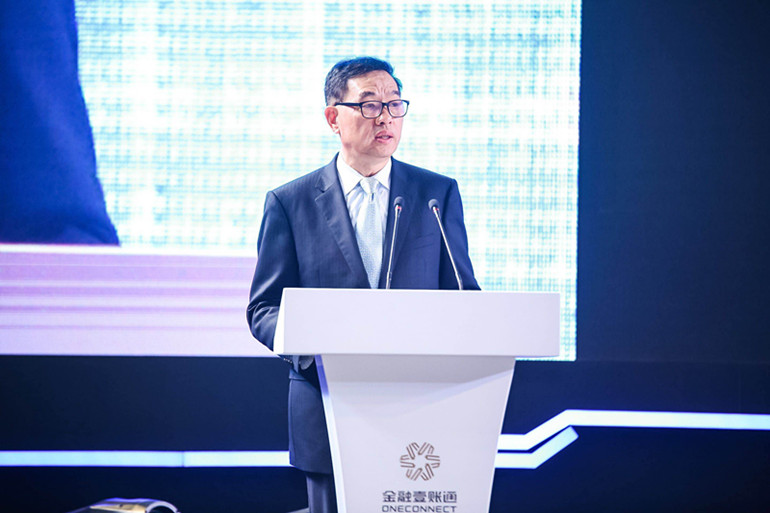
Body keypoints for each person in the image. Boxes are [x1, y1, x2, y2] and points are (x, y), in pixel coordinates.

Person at [247, 56, 479, 513]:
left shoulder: (436, 195)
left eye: (395, 104)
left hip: (420, 406)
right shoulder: (291, 202)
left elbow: (463, 297)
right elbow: (263, 309)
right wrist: (314, 347)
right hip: (327, 402)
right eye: (370, 105)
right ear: (333, 117)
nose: (386, 117)